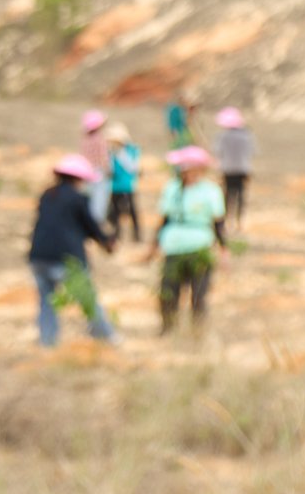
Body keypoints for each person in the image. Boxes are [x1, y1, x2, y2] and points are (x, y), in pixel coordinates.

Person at [27, 154, 117, 348]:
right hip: (66, 259)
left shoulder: (47, 195)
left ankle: (47, 342)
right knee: (87, 298)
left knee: (46, 302)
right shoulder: (78, 199)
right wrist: (107, 241)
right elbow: (91, 226)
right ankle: (107, 339)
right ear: (79, 179)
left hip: (38, 258)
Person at [146, 146, 228, 336]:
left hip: (199, 247)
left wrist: (224, 250)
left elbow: (218, 224)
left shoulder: (211, 191)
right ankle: (168, 329)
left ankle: (197, 332)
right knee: (168, 292)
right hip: (174, 246)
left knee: (199, 294)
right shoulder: (172, 189)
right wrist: (153, 246)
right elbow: (164, 219)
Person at [215, 106, 254, 232]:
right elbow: (252, 152)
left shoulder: (223, 136)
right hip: (242, 169)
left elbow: (218, 151)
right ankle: (239, 222)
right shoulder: (247, 136)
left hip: (227, 169)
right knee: (240, 196)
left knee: (227, 196)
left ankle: (226, 221)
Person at [105, 123, 142, 244]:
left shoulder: (131, 150)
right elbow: (110, 170)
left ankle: (137, 234)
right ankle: (117, 234)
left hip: (128, 186)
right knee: (115, 211)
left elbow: (133, 168)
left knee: (131, 210)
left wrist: (120, 154)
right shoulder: (111, 152)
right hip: (115, 186)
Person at [78, 110, 112, 224]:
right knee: (99, 200)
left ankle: (86, 221)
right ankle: (96, 223)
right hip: (99, 172)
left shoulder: (85, 139)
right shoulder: (100, 138)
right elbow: (104, 157)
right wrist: (108, 170)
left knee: (89, 198)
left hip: (87, 172)